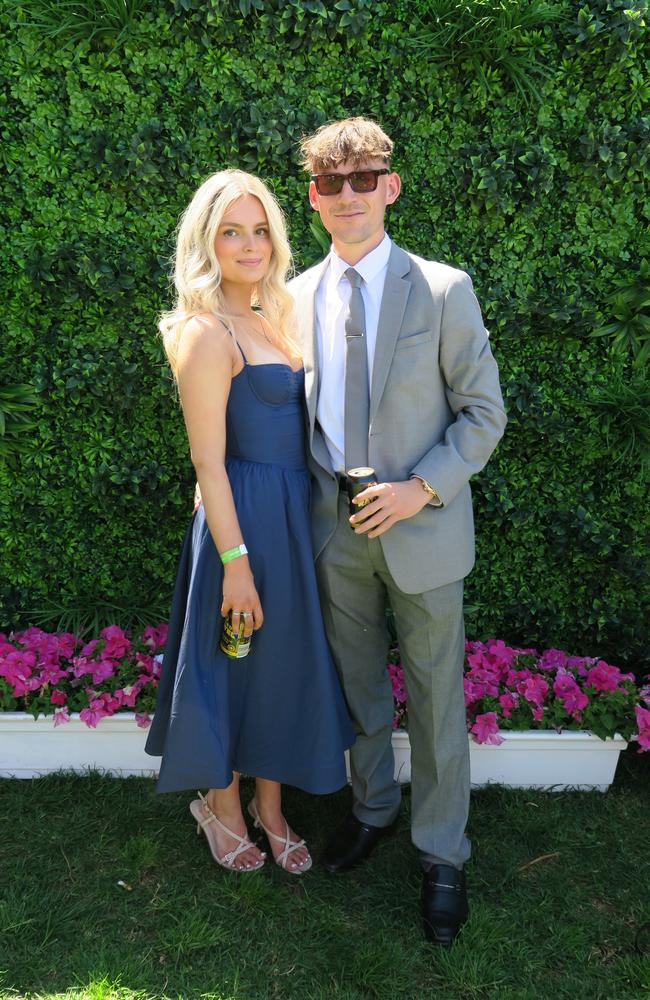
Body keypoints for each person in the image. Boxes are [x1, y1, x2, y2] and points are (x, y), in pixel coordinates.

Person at [289, 118, 507, 942]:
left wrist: (422, 490)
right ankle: (373, 807)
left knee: (436, 695)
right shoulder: (297, 293)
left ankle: (442, 852)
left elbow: (485, 414)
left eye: (363, 178)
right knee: (359, 690)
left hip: (423, 529)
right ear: (313, 198)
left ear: (391, 185)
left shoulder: (444, 289)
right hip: (333, 531)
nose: (348, 195)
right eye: (331, 183)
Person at [145, 169, 354, 875]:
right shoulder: (205, 331)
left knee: (283, 666)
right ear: (207, 242)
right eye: (231, 231)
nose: (249, 244)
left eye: (260, 228)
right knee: (232, 664)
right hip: (242, 529)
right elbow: (208, 463)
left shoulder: (280, 315)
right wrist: (235, 564)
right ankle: (222, 804)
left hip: (295, 523)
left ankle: (272, 807)